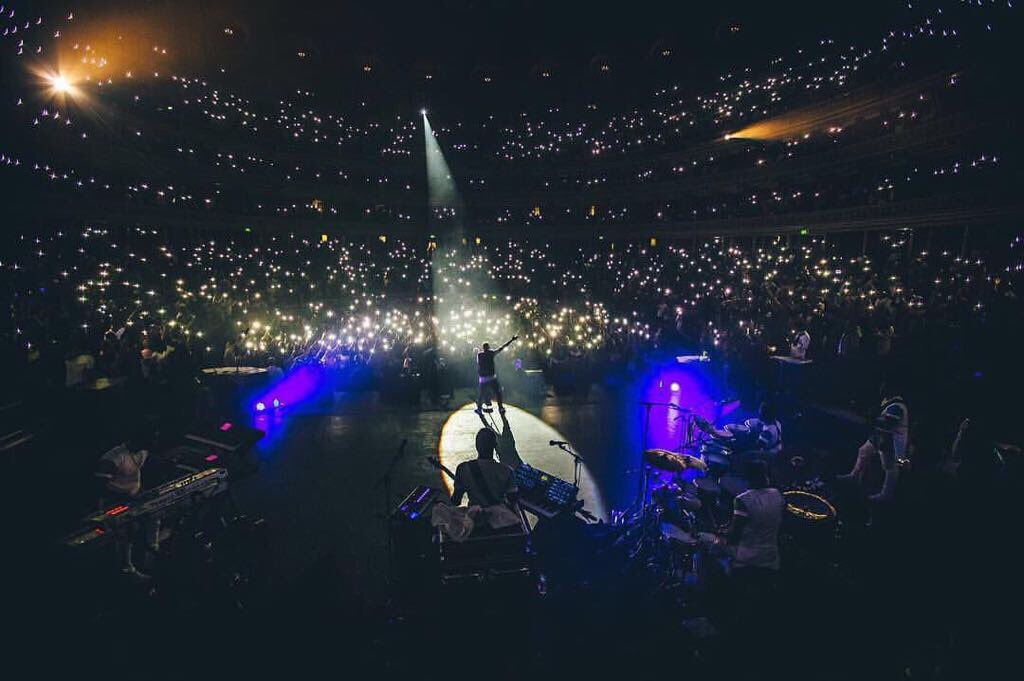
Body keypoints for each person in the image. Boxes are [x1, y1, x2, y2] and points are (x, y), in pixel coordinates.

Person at [95, 431, 155, 581]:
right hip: (113, 501)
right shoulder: (113, 458)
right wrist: (125, 495)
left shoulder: (143, 452)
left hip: (133, 499)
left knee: (153, 519)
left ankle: (151, 555)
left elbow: (136, 476)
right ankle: (125, 569)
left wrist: (141, 492)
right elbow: (101, 485)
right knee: (124, 534)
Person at [716, 460, 785, 572]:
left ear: (746, 478)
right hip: (771, 556)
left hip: (747, 558)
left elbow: (735, 534)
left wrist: (721, 534)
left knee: (709, 548)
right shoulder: (777, 494)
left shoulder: (743, 499)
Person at [451, 428, 518, 507]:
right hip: (499, 516)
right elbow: (513, 502)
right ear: (495, 445)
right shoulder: (507, 471)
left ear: (476, 445)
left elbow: (456, 501)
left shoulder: (463, 469)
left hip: (474, 517)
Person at [474, 335, 518, 415]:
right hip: (491, 378)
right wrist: (511, 340)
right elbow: (502, 348)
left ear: (483, 348)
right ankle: (500, 408)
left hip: (483, 378)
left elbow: (478, 362)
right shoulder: (491, 353)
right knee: (498, 393)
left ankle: (479, 409)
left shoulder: (480, 355)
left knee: (481, 394)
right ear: (489, 347)